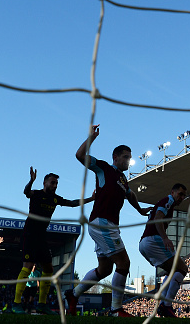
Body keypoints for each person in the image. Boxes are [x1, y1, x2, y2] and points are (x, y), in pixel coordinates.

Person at [65, 124, 151, 317]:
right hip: (102, 223)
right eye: (126, 157)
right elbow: (79, 155)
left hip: (107, 225)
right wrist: (92, 137)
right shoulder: (103, 168)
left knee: (104, 269)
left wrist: (139, 210)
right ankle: (115, 309)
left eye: (130, 157)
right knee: (124, 264)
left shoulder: (122, 180)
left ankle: (73, 294)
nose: (129, 161)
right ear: (116, 157)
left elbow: (130, 195)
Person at [12, 168, 95, 315]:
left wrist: (90, 198)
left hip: (41, 237)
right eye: (52, 183)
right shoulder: (36, 194)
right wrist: (31, 181)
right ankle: (16, 304)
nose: (55, 186)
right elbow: (26, 193)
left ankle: (42, 305)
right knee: (27, 267)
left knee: (49, 270)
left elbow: (73, 203)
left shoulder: (55, 199)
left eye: (56, 183)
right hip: (29, 235)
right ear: (45, 183)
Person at [139, 183, 189, 319]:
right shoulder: (168, 201)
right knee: (182, 269)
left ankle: (163, 305)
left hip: (144, 243)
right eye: (180, 194)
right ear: (172, 192)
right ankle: (166, 305)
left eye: (184, 195)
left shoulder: (167, 203)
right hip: (152, 240)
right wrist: (165, 238)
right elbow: (157, 219)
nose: (182, 197)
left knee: (171, 271)